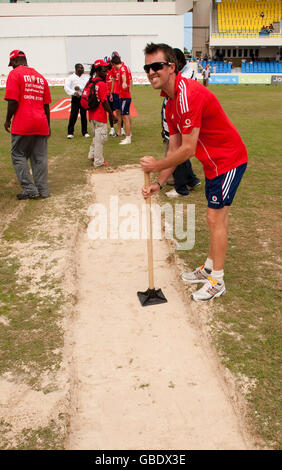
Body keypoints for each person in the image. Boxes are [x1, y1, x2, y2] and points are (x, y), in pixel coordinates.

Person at [140, 43, 248, 301]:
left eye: (157, 66)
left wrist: (156, 165)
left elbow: (187, 149)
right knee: (216, 218)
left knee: (215, 218)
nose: (151, 72)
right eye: (147, 67)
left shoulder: (188, 95)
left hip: (229, 160)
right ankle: (209, 267)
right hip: (213, 164)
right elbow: (175, 146)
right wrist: (159, 182)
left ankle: (217, 281)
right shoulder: (169, 102)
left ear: (171, 68)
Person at [4, 50, 51, 200]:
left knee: (18, 155)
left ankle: (30, 189)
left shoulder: (15, 74)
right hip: (41, 123)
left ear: (17, 61)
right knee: (39, 158)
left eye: (12, 64)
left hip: (23, 123)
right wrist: (48, 126)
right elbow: (46, 106)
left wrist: (7, 120)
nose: (12, 68)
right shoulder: (40, 77)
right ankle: (43, 190)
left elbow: (13, 101)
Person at [162, 48, 201, 198]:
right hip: (175, 120)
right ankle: (192, 180)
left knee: (176, 154)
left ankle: (181, 188)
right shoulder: (184, 73)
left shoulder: (184, 77)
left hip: (180, 122)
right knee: (180, 154)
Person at [87, 59, 117, 168]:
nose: (106, 72)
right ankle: (98, 161)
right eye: (104, 69)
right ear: (98, 70)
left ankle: (92, 154)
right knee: (101, 139)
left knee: (96, 136)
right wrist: (112, 115)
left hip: (91, 115)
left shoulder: (91, 81)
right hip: (100, 115)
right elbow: (104, 102)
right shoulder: (101, 84)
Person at [64, 63, 90, 139]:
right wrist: (74, 93)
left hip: (83, 97)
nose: (82, 69)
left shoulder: (86, 78)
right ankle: (70, 132)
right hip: (75, 98)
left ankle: (85, 132)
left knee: (83, 115)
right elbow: (66, 87)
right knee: (73, 115)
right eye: (80, 68)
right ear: (76, 69)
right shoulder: (71, 77)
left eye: (82, 68)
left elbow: (87, 86)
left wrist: (80, 88)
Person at [111, 54, 133, 145]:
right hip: (123, 96)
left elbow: (124, 75)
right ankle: (128, 134)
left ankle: (128, 138)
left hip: (124, 96)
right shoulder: (124, 67)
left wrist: (124, 82)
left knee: (125, 117)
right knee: (125, 116)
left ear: (114, 64)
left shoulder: (122, 68)